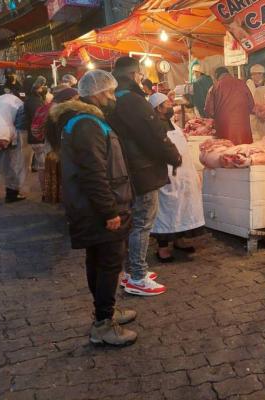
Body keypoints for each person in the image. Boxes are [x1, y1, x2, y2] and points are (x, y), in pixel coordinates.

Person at [53, 69, 137, 346]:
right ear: (97, 94)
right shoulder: (87, 124)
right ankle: (103, 324)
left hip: (90, 207)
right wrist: (109, 211)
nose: (113, 97)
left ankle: (106, 312)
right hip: (98, 209)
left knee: (99, 260)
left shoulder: (83, 121)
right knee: (109, 263)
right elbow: (93, 172)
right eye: (110, 92)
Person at [107, 56, 182, 296]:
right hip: (143, 168)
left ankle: (131, 271)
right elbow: (154, 135)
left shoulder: (113, 98)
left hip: (128, 168)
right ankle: (137, 276)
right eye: (139, 74)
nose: (141, 77)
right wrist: (174, 156)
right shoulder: (133, 100)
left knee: (135, 221)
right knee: (142, 222)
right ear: (133, 75)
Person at [148, 92, 205, 262]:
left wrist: (193, 173)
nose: (170, 106)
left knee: (183, 208)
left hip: (184, 175)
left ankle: (179, 240)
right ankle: (163, 248)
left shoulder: (172, 124)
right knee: (167, 211)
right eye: (167, 104)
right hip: (167, 176)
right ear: (158, 108)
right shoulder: (153, 126)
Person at [42, 87, 80, 203]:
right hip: (64, 154)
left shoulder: (54, 113)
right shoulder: (66, 115)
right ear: (69, 100)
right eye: (77, 98)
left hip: (56, 152)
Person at [204, 67, 255, 145]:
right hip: (244, 133)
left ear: (217, 75)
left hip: (224, 133)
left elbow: (209, 111)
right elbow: (251, 106)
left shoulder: (215, 87)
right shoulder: (242, 83)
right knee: (244, 154)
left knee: (228, 155)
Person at [246, 64, 265, 141]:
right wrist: (256, 111)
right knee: (256, 140)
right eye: (252, 74)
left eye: (257, 74)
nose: (254, 76)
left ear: (262, 74)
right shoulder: (248, 84)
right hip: (254, 119)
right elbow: (246, 102)